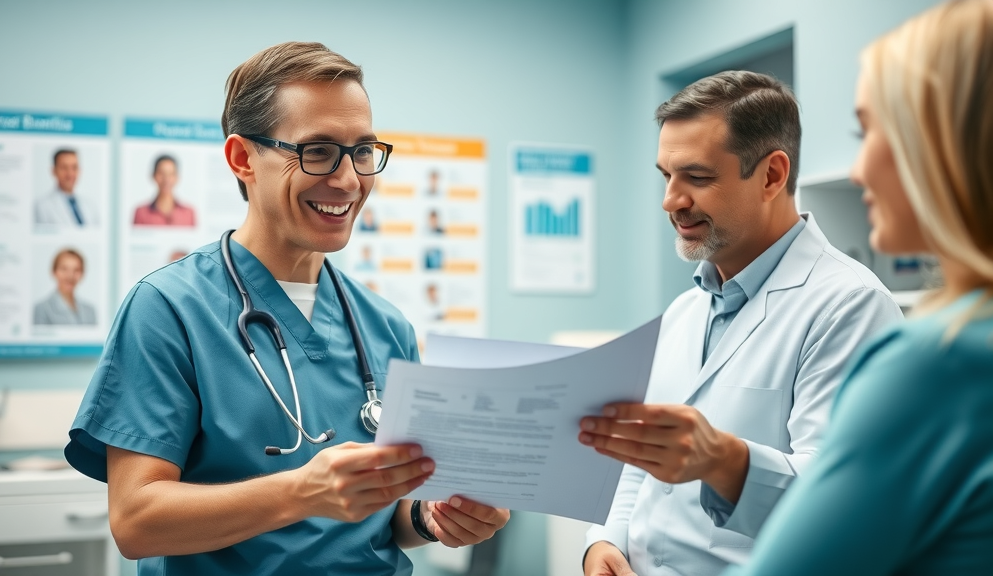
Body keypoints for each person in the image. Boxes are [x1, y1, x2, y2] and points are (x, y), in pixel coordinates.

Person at [64, 42, 508, 576]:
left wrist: (432, 517)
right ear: (242, 158)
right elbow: (136, 521)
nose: (348, 180)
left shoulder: (386, 327)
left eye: (363, 151)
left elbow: (382, 516)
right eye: (317, 150)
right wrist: (302, 491)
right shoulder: (168, 310)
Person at [578, 71, 904, 576]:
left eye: (698, 178)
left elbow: (846, 504)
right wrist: (603, 543)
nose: (671, 200)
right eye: (666, 176)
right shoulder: (684, 312)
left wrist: (723, 460)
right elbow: (637, 466)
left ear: (772, 175)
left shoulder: (849, 306)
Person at [721, 2, 993, 574]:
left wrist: (723, 462)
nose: (861, 168)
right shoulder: (683, 311)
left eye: (872, 132)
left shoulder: (940, 361)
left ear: (951, 144)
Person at [35, 149, 97, 227]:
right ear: (54, 171)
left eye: (74, 167)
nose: (70, 174)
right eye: (64, 168)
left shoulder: (90, 206)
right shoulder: (42, 206)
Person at [33, 248, 96, 325]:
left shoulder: (89, 310)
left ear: (82, 274)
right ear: (54, 272)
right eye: (64, 269)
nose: (70, 276)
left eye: (76, 270)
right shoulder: (42, 309)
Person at [133, 155, 197, 226]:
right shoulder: (141, 213)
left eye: (171, 174)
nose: (166, 179)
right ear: (154, 176)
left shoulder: (188, 213)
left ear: (177, 177)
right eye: (161, 173)